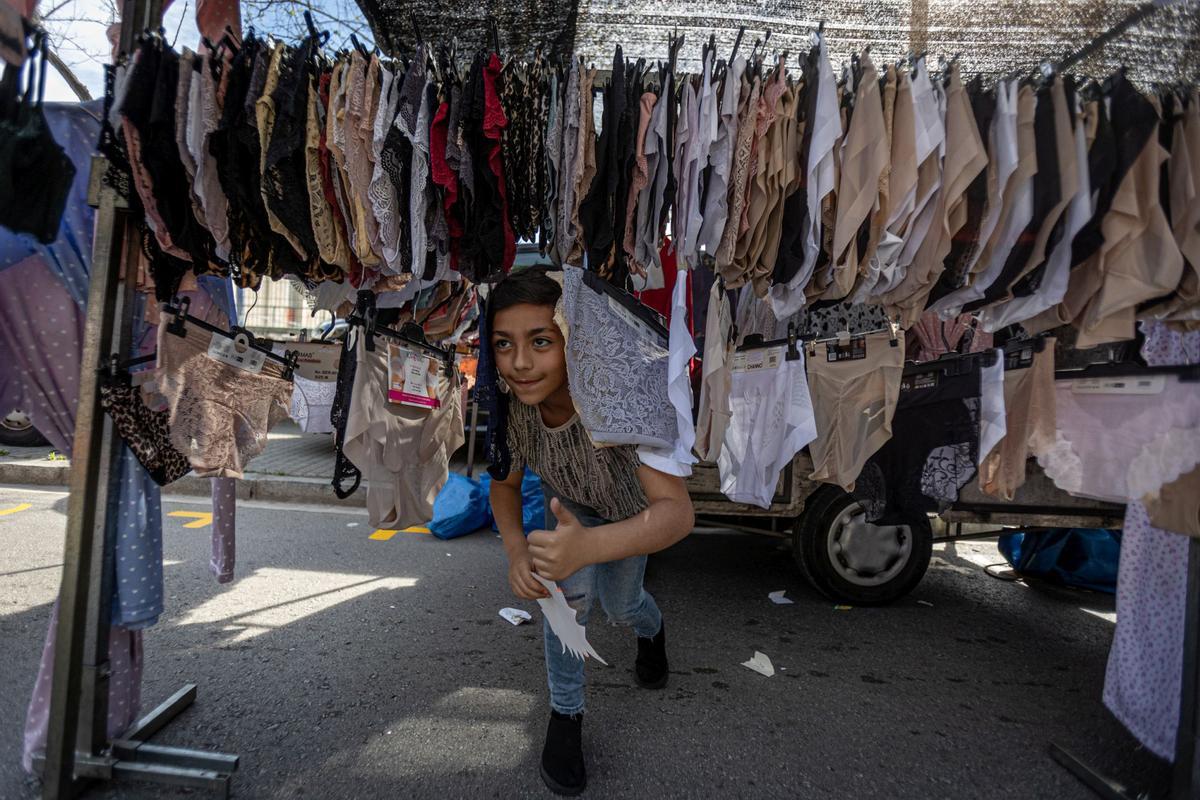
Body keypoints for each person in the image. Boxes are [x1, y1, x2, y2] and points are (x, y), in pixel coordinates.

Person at [486, 266, 695, 796]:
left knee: (623, 606)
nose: (520, 363)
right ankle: (566, 717)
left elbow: (676, 512)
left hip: (630, 519)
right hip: (571, 511)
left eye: (540, 341)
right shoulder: (513, 411)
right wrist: (516, 552)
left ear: (574, 340)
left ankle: (652, 632)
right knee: (564, 600)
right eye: (503, 345)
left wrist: (590, 546)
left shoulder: (617, 397)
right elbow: (504, 487)